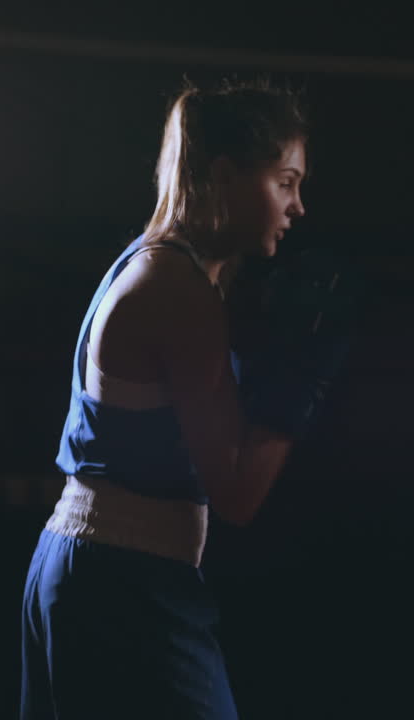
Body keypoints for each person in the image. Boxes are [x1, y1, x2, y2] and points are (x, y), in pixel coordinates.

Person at [20, 79, 351, 719]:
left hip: (96, 571)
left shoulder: (152, 263)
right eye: (285, 181)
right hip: (121, 581)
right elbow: (235, 493)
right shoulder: (179, 290)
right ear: (226, 175)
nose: (298, 206)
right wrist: (303, 380)